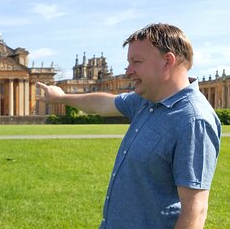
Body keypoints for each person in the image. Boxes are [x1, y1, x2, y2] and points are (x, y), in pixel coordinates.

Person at [37, 23, 221, 229]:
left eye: (136, 62)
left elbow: (195, 211)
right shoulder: (147, 100)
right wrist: (62, 98)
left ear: (167, 61)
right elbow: (103, 103)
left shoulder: (193, 120)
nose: (128, 71)